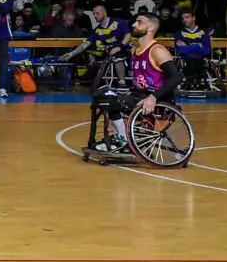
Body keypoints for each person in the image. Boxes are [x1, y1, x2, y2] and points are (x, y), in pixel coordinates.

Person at [89, 11, 182, 154]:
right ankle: (121, 137)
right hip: (139, 95)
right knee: (101, 95)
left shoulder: (157, 50)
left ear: (151, 28)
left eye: (139, 22)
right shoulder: (135, 50)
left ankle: (124, 141)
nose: (133, 24)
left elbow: (176, 77)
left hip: (158, 99)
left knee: (110, 101)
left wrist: (153, 97)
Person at [173, 9, 213, 91]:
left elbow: (206, 50)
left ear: (193, 18)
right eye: (183, 18)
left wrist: (187, 46)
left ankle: (199, 83)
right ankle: (189, 83)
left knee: (198, 61)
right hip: (186, 60)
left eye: (187, 17)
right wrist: (197, 45)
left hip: (200, 60)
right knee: (189, 61)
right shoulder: (179, 33)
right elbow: (180, 50)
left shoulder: (204, 33)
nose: (184, 20)